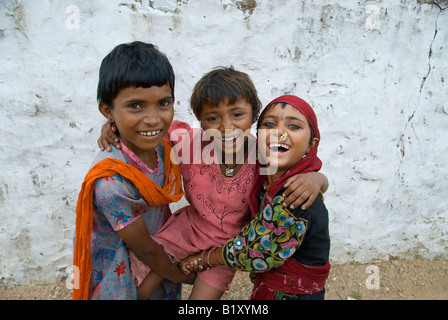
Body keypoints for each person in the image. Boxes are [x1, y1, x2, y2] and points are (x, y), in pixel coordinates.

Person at [98, 68, 329, 300]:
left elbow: (297, 168)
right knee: (142, 290)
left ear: (254, 115)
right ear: (200, 121)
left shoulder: (264, 153)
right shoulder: (189, 143)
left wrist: (318, 178)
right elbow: (150, 128)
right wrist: (114, 125)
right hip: (187, 231)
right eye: (213, 118)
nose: (226, 127)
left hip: (228, 246)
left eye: (237, 114)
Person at [72, 41, 194, 300]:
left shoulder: (164, 143)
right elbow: (146, 250)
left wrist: (305, 171)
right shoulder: (111, 182)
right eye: (135, 106)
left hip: (157, 256)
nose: (153, 119)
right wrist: (180, 275)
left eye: (164, 103)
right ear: (108, 111)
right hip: (122, 270)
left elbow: (223, 142)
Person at [181, 95, 331, 300]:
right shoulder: (267, 178)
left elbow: (254, 251)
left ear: (310, 145)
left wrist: (204, 259)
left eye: (294, 126)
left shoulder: (293, 196)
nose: (280, 133)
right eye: (269, 124)